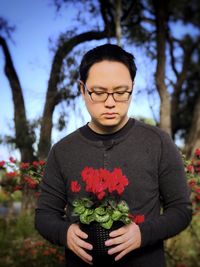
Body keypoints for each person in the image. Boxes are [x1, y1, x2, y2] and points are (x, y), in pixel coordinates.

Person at [35, 43, 192, 267]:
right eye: (98, 92)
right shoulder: (62, 151)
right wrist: (65, 232)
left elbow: (181, 211)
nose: (110, 103)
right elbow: (44, 216)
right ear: (82, 89)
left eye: (120, 92)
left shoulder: (158, 142)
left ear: (132, 88)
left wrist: (143, 233)